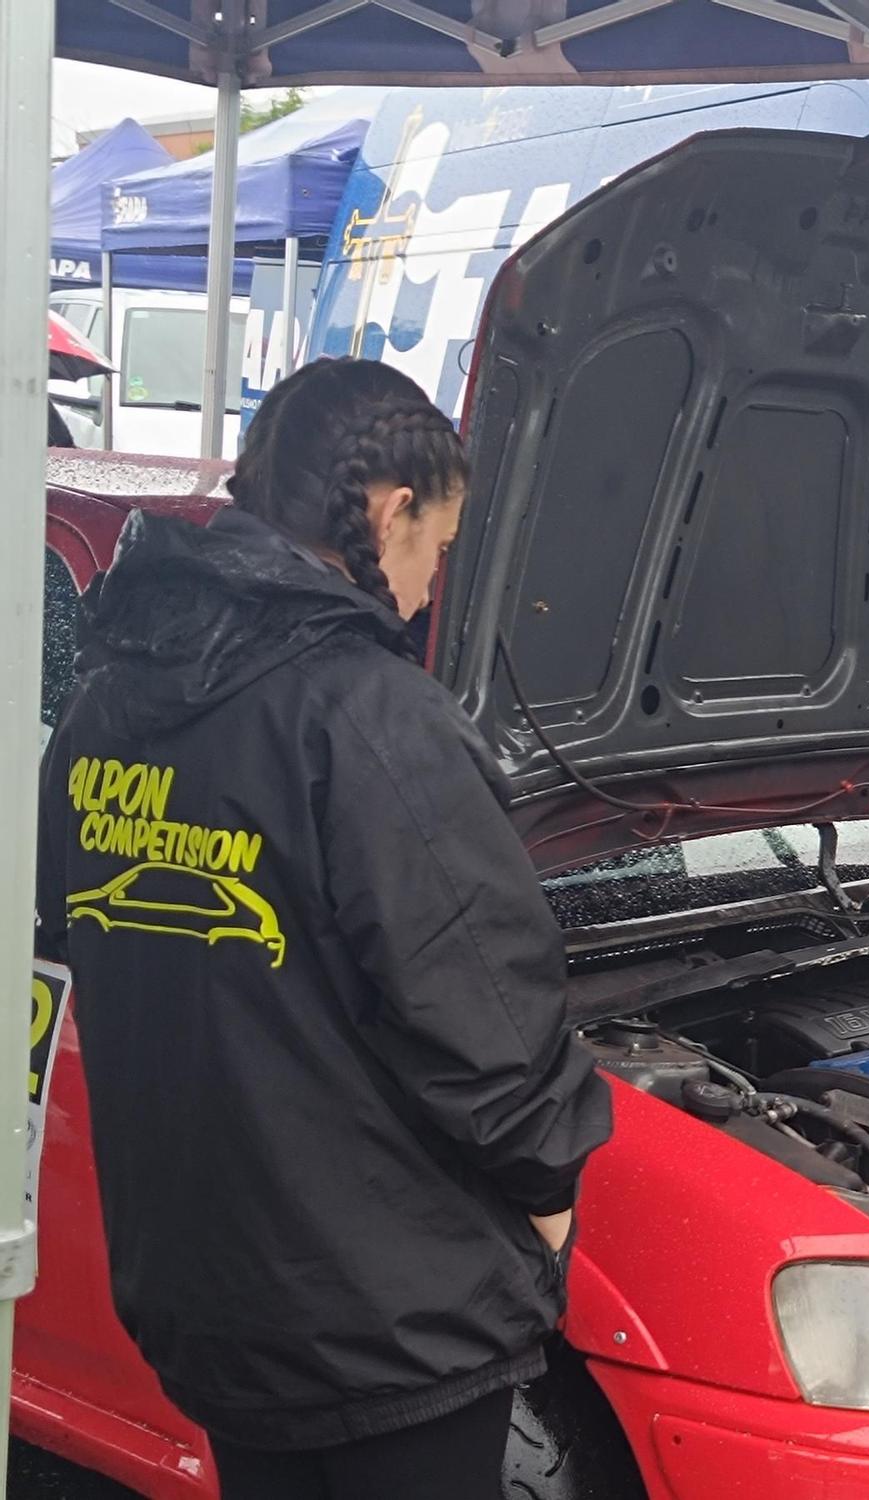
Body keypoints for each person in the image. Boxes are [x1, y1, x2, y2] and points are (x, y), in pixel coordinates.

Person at [35, 357, 613, 1500]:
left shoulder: (104, 705)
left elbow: (85, 936)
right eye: (435, 551)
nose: (424, 588)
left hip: (210, 1301)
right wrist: (550, 1199)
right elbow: (484, 1011)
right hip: (388, 1327)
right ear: (391, 508)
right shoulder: (366, 712)